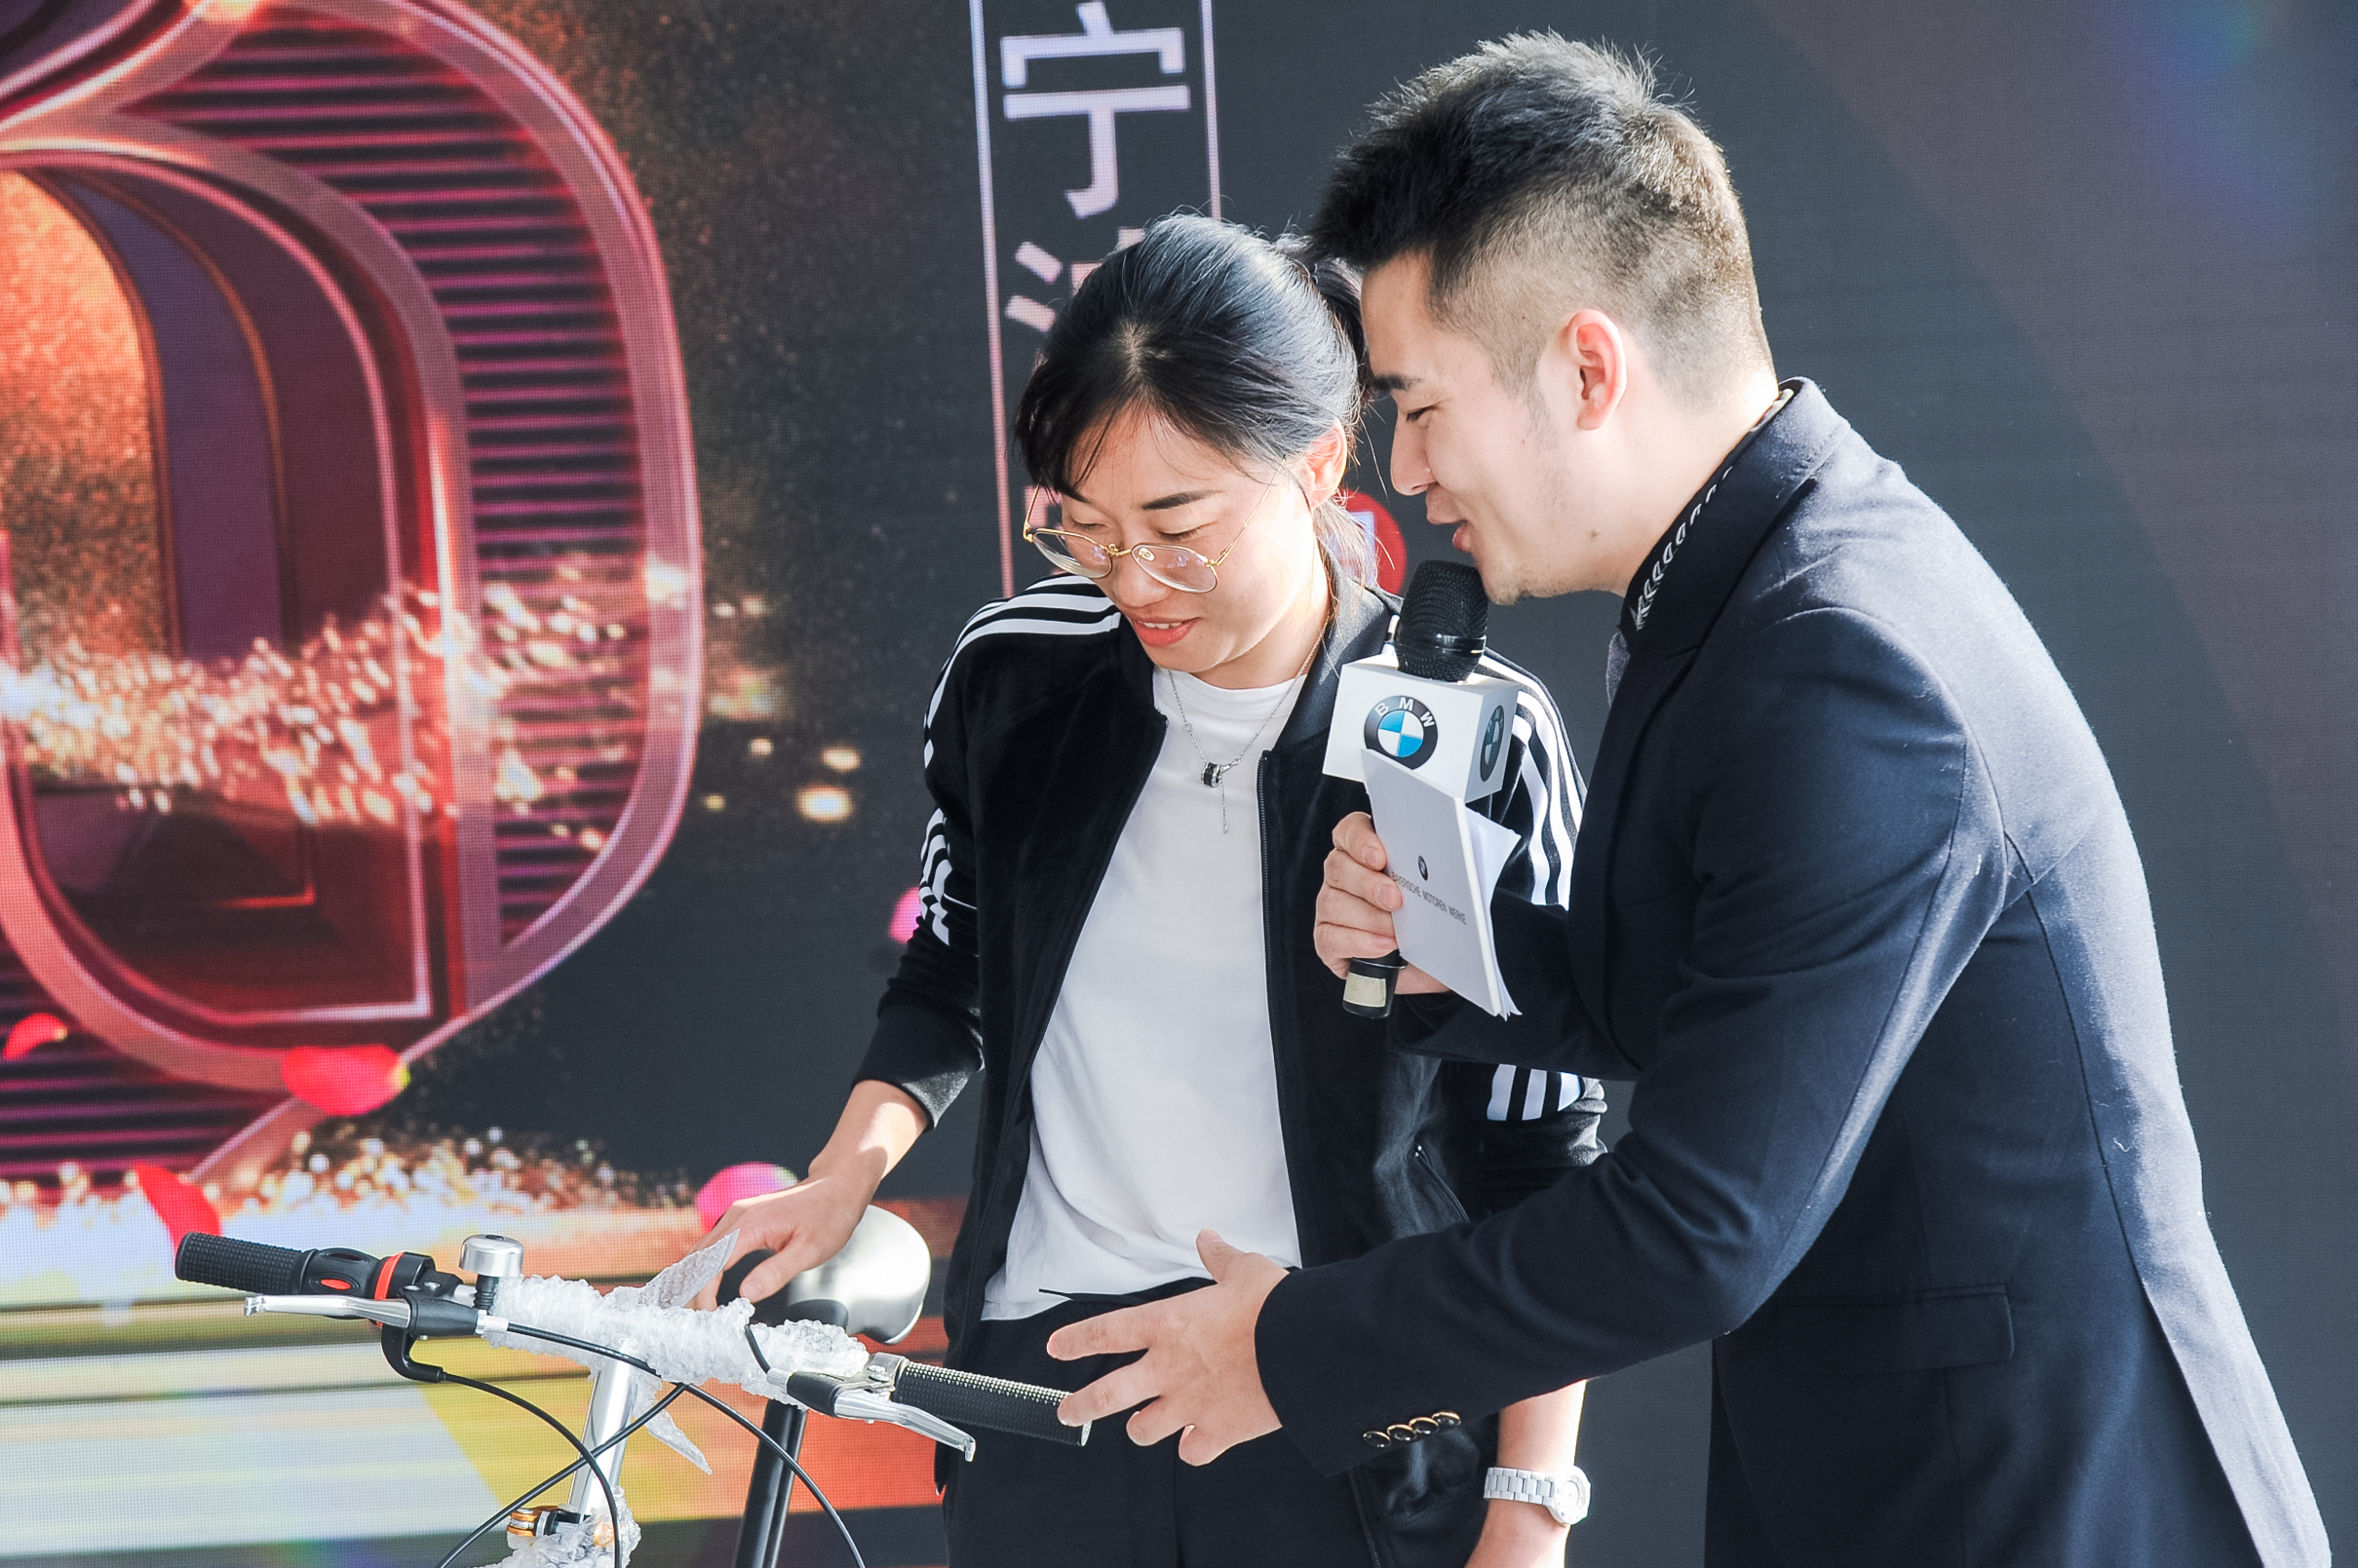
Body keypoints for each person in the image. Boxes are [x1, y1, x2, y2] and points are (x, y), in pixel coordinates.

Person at [1044, 37, 2330, 1568]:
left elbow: (1698, 1225)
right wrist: (1464, 951)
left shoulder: (1845, 663)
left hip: (2035, 1507)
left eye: (1421, 405)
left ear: (1588, 369)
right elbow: (1732, 987)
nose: (1407, 470)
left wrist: (1289, 1348)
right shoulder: (1750, 583)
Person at [690, 213, 1602, 1568]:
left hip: (1342, 1396)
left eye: (1178, 529)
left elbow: (1538, 1156)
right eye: (1088, 531)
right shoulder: (1014, 678)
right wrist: (843, 1175)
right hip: (1044, 1394)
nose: (1136, 583)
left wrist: (1530, 1504)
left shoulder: (1465, 733)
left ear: (1317, 462)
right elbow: (954, 964)